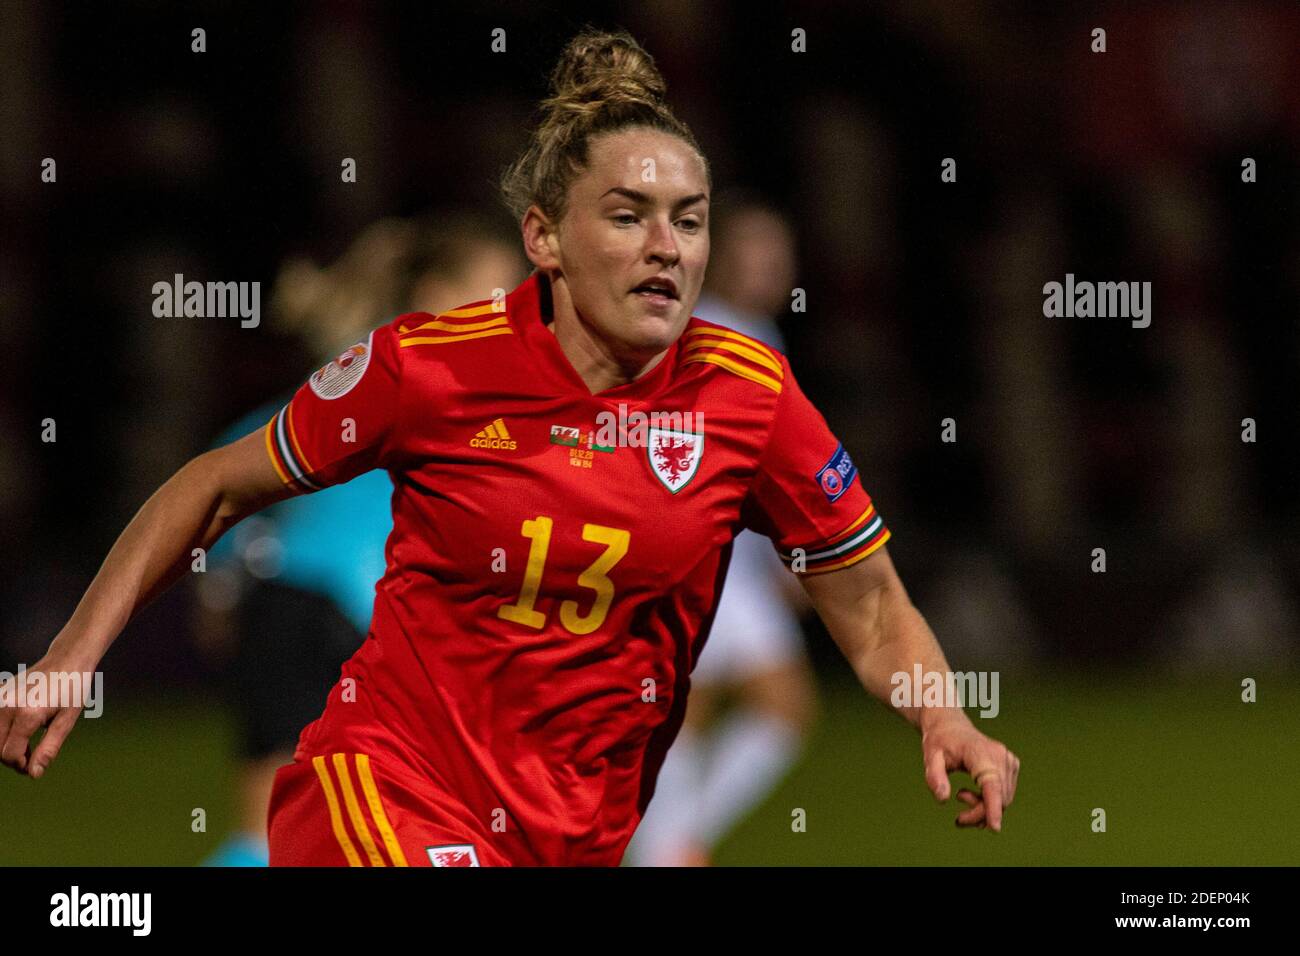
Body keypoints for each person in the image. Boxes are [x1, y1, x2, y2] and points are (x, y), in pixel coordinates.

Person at [1, 27, 1020, 866]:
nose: (666, 245)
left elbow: (872, 603)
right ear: (543, 237)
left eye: (689, 219)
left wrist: (942, 713)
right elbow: (215, 483)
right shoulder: (430, 367)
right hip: (381, 789)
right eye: (626, 216)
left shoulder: (748, 395)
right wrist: (70, 658)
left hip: (567, 838)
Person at [196, 214, 525, 866]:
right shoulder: (429, 376)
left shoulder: (372, 369)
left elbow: (242, 456)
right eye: (490, 294)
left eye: (512, 296)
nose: (506, 314)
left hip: (317, 612)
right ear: (431, 292)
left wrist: (224, 580)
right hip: (334, 613)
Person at [625, 194, 816, 866]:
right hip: (700, 553)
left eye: (778, 252)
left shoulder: (754, 330)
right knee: (751, 705)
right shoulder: (703, 328)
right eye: (753, 250)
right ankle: (669, 849)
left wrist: (775, 554)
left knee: (748, 708)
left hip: (730, 556)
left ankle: (672, 843)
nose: (768, 265)